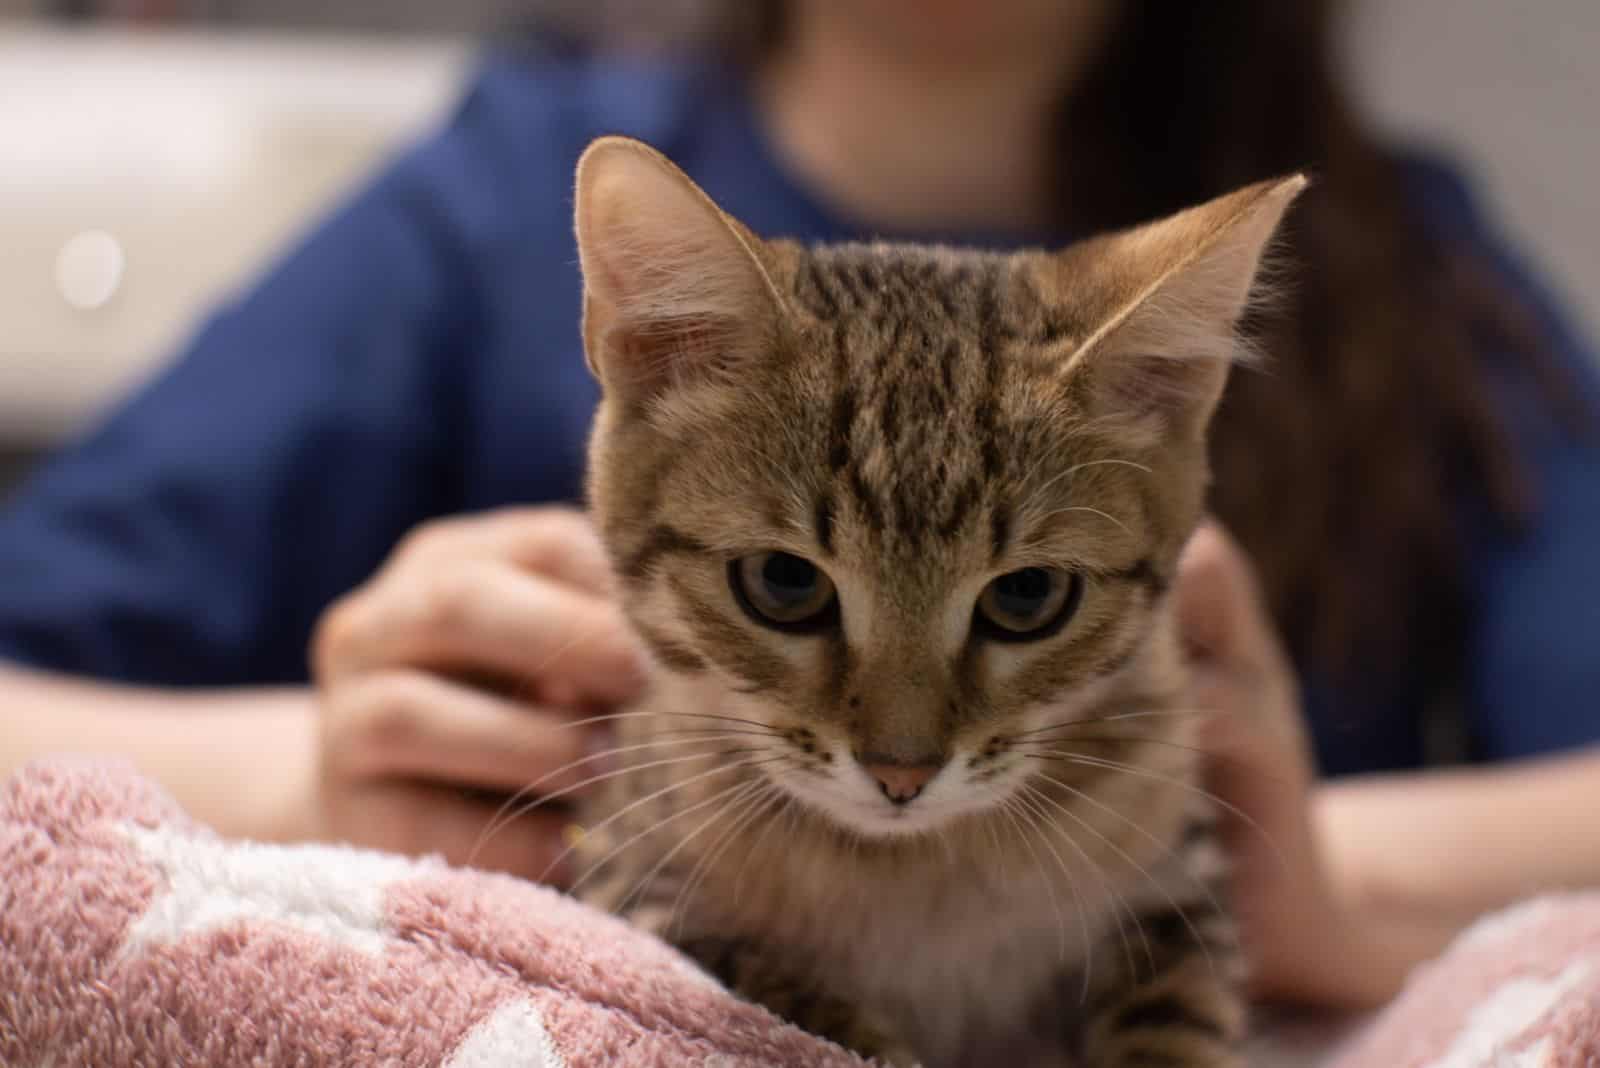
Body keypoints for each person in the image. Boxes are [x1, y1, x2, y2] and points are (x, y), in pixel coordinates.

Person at [2, 0, 1597, 1013]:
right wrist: (317, 769)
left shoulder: (1413, 275)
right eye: (787, 587)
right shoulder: (487, 199)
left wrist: (1305, 877)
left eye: (1027, 599)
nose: (898, 749)